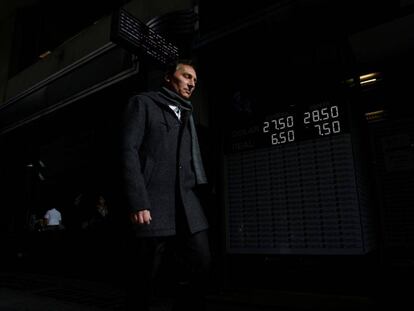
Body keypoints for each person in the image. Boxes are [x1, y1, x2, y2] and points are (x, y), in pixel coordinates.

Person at [120, 59, 211, 311]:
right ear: (169, 77)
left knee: (201, 262)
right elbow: (128, 150)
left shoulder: (188, 113)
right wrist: (138, 200)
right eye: (186, 76)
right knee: (146, 274)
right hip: (154, 199)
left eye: (195, 79)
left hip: (186, 200)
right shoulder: (144, 103)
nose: (192, 83)